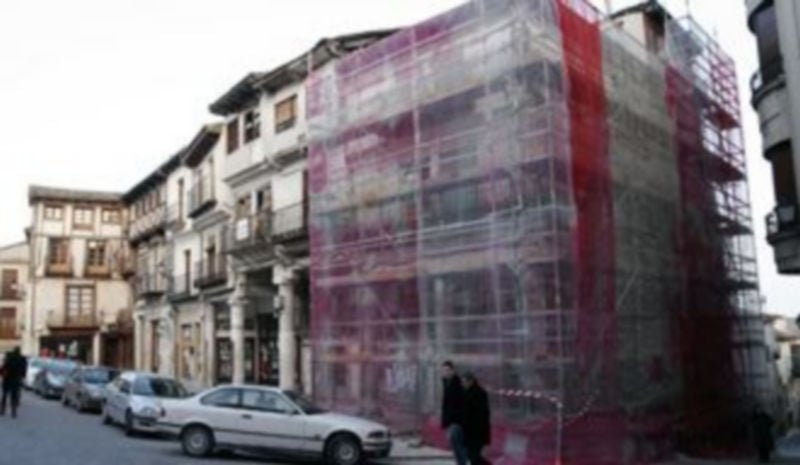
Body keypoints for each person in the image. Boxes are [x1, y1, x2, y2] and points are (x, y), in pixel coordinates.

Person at [441, 360, 467, 465]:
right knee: (457, 447)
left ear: (453, 371)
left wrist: (451, 422)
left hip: (457, 422)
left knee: (458, 447)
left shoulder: (456, 384)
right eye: (443, 370)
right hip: (453, 421)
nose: (445, 372)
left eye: (447, 370)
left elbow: (454, 405)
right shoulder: (447, 383)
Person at [463, 372, 491, 465]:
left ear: (470, 381)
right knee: (471, 456)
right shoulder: (466, 393)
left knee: (474, 456)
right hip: (470, 431)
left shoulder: (479, 393)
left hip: (477, 431)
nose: (463, 384)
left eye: (465, 382)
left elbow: (483, 414)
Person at [1, 347, 27, 418]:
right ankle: (13, 412)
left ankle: (2, 410)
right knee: (14, 396)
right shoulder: (22, 359)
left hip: (7, 379)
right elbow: (24, 370)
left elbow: (4, 367)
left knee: (5, 395)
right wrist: (22, 377)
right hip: (16, 380)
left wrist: (2, 373)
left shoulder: (9, 358)